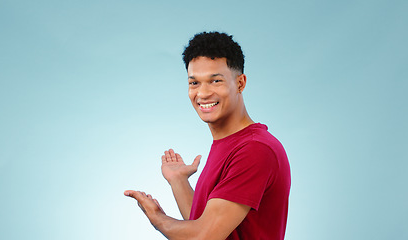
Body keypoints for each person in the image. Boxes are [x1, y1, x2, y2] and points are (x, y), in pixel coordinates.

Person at [124, 31, 291, 240]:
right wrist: (179, 181)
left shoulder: (255, 149)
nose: (202, 93)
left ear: (240, 83)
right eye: (194, 83)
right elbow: (206, 224)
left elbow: (204, 236)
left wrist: (157, 218)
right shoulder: (230, 144)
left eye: (215, 81)